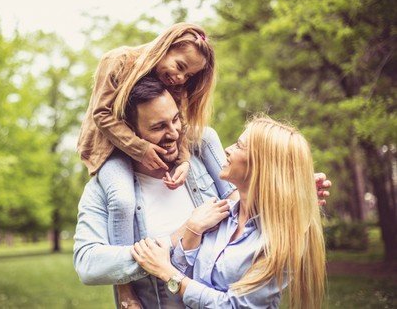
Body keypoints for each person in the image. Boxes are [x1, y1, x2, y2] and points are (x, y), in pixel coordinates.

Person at [73, 77, 331, 308]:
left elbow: (250, 192)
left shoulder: (201, 163)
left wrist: (293, 184)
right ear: (128, 133)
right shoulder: (104, 189)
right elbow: (88, 265)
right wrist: (181, 236)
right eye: (158, 127)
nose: (173, 133)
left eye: (175, 119)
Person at [76, 23, 227, 304]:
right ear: (166, 46)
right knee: (121, 199)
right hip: (109, 150)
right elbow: (102, 113)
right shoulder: (118, 61)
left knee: (202, 134)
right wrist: (141, 148)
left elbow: (178, 123)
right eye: (180, 65)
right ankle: (124, 289)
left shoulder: (175, 87)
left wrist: (184, 162)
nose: (180, 77)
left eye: (189, 74)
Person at [131, 115, 327, 308]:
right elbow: (188, 274)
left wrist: (167, 272)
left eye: (239, 146)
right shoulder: (217, 215)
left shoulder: (280, 241)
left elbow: (233, 306)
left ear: (262, 165)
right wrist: (193, 230)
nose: (227, 149)